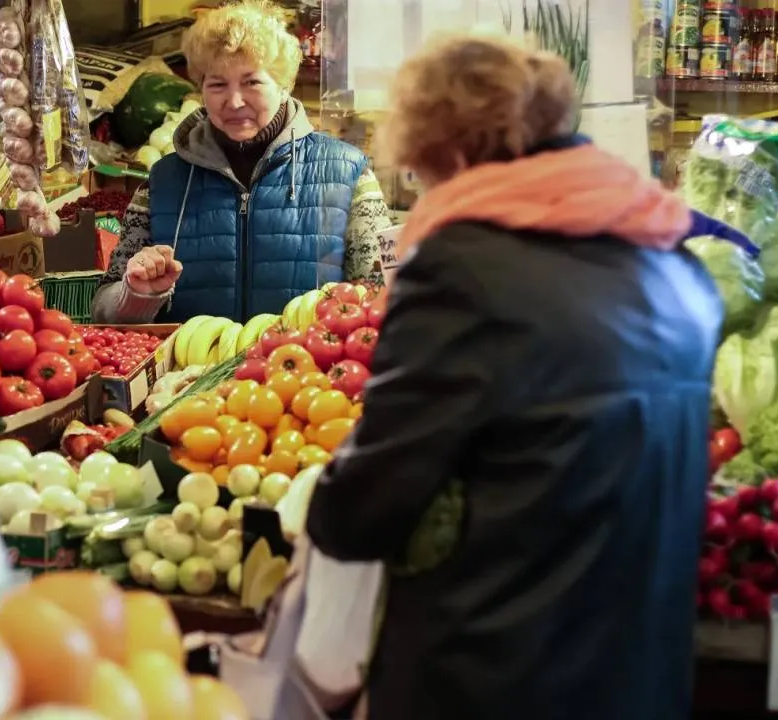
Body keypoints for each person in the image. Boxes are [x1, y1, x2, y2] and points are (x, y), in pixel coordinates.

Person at [304, 37, 727, 719]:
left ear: (455, 152)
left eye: (421, 170)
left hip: (496, 677)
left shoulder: (464, 270)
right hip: (642, 676)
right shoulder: (679, 267)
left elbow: (362, 512)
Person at [91, 0, 389, 325]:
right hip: (190, 374)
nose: (234, 101)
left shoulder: (349, 174)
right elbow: (102, 312)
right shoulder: (163, 182)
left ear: (284, 84)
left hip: (307, 372)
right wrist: (136, 295)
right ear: (201, 88)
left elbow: (382, 300)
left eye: (252, 82)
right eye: (217, 84)